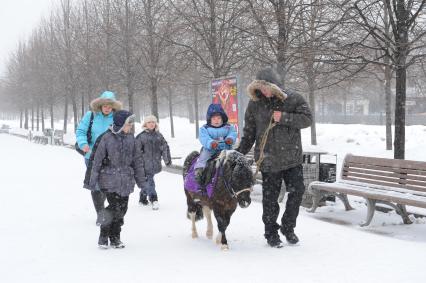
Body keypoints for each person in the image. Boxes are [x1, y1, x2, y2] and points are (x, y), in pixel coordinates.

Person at [236, 67, 312, 248]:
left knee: (297, 191)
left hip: (292, 158)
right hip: (268, 159)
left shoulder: (293, 98)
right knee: (270, 199)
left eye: (266, 87)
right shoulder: (254, 104)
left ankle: (288, 227)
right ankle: (271, 233)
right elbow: (249, 132)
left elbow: (307, 119)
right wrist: (239, 152)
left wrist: (284, 117)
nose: (264, 91)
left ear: (275, 85)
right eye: (260, 87)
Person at [84, 110, 146, 249]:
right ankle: (104, 236)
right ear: (120, 124)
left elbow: (137, 161)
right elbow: (97, 160)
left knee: (122, 210)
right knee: (114, 207)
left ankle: (115, 237)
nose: (130, 127)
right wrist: (92, 181)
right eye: (128, 124)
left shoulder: (132, 139)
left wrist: (141, 181)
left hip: (126, 181)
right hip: (109, 180)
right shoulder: (106, 138)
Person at [76, 91, 122, 225]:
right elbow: (81, 131)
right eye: (104, 105)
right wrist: (83, 144)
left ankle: (108, 209)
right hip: (92, 156)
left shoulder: (117, 118)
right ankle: (101, 214)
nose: (107, 108)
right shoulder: (91, 116)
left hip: (111, 158)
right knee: (95, 185)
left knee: (108, 186)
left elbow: (124, 135)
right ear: (100, 105)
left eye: (110, 105)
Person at [194, 103, 237, 184]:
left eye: (218, 118)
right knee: (203, 158)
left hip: (226, 149)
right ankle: (199, 171)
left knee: (234, 158)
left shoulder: (228, 127)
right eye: (214, 119)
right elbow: (204, 137)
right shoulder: (205, 128)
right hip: (210, 149)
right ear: (210, 119)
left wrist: (230, 139)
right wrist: (211, 143)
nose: (216, 120)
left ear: (222, 118)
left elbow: (233, 133)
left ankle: (238, 173)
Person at [135, 115, 171, 210]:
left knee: (147, 182)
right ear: (145, 124)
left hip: (155, 164)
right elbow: (136, 152)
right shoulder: (141, 137)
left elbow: (165, 148)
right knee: (150, 182)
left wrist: (167, 159)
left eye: (153, 122)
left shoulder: (159, 136)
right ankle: (154, 199)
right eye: (149, 122)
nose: (151, 124)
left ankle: (142, 199)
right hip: (143, 165)